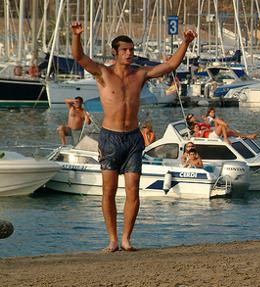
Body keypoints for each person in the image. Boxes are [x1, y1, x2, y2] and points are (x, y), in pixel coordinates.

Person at [71, 21, 196, 253]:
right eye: (124, 50)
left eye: (131, 49)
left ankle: (127, 239)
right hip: (110, 139)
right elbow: (79, 57)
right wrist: (76, 35)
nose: (129, 53)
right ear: (115, 53)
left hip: (133, 139)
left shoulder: (140, 74)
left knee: (133, 190)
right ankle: (112, 240)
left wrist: (185, 43)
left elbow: (170, 65)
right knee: (108, 191)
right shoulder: (103, 73)